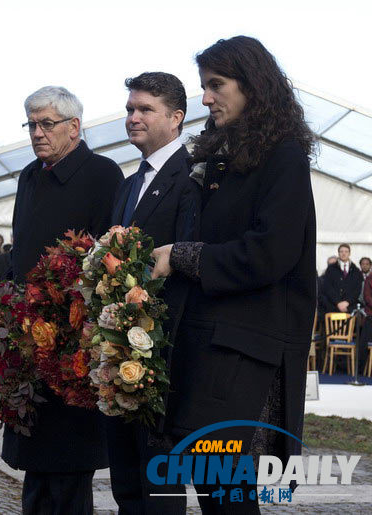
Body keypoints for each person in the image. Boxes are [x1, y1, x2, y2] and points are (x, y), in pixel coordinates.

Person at [151, 36, 316, 513]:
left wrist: (183, 257)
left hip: (247, 355)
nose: (205, 98)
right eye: (204, 86)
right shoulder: (223, 155)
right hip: (213, 350)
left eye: (215, 85)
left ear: (254, 86)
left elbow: (270, 253)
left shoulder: (283, 156)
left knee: (226, 495)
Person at [5, 85, 123, 513]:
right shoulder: (29, 175)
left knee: (69, 464)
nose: (37, 132)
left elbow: (111, 258)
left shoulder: (104, 175)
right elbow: (20, 249)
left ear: (74, 127)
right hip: (27, 333)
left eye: (47, 124)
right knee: (35, 461)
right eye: (31, 124)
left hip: (73, 340)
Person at [106, 71, 198, 514]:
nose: (133, 117)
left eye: (145, 109)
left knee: (159, 489)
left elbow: (186, 268)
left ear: (176, 118)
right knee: (125, 484)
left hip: (163, 357)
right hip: (120, 353)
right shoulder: (128, 183)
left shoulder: (192, 180)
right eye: (129, 109)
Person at [320, 243, 363, 314]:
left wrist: (347, 302)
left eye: (346, 251)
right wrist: (337, 302)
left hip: (350, 307)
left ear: (349, 253)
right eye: (341, 251)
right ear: (338, 253)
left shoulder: (356, 271)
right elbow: (327, 287)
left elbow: (357, 289)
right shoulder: (331, 269)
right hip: (333, 306)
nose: (344, 253)